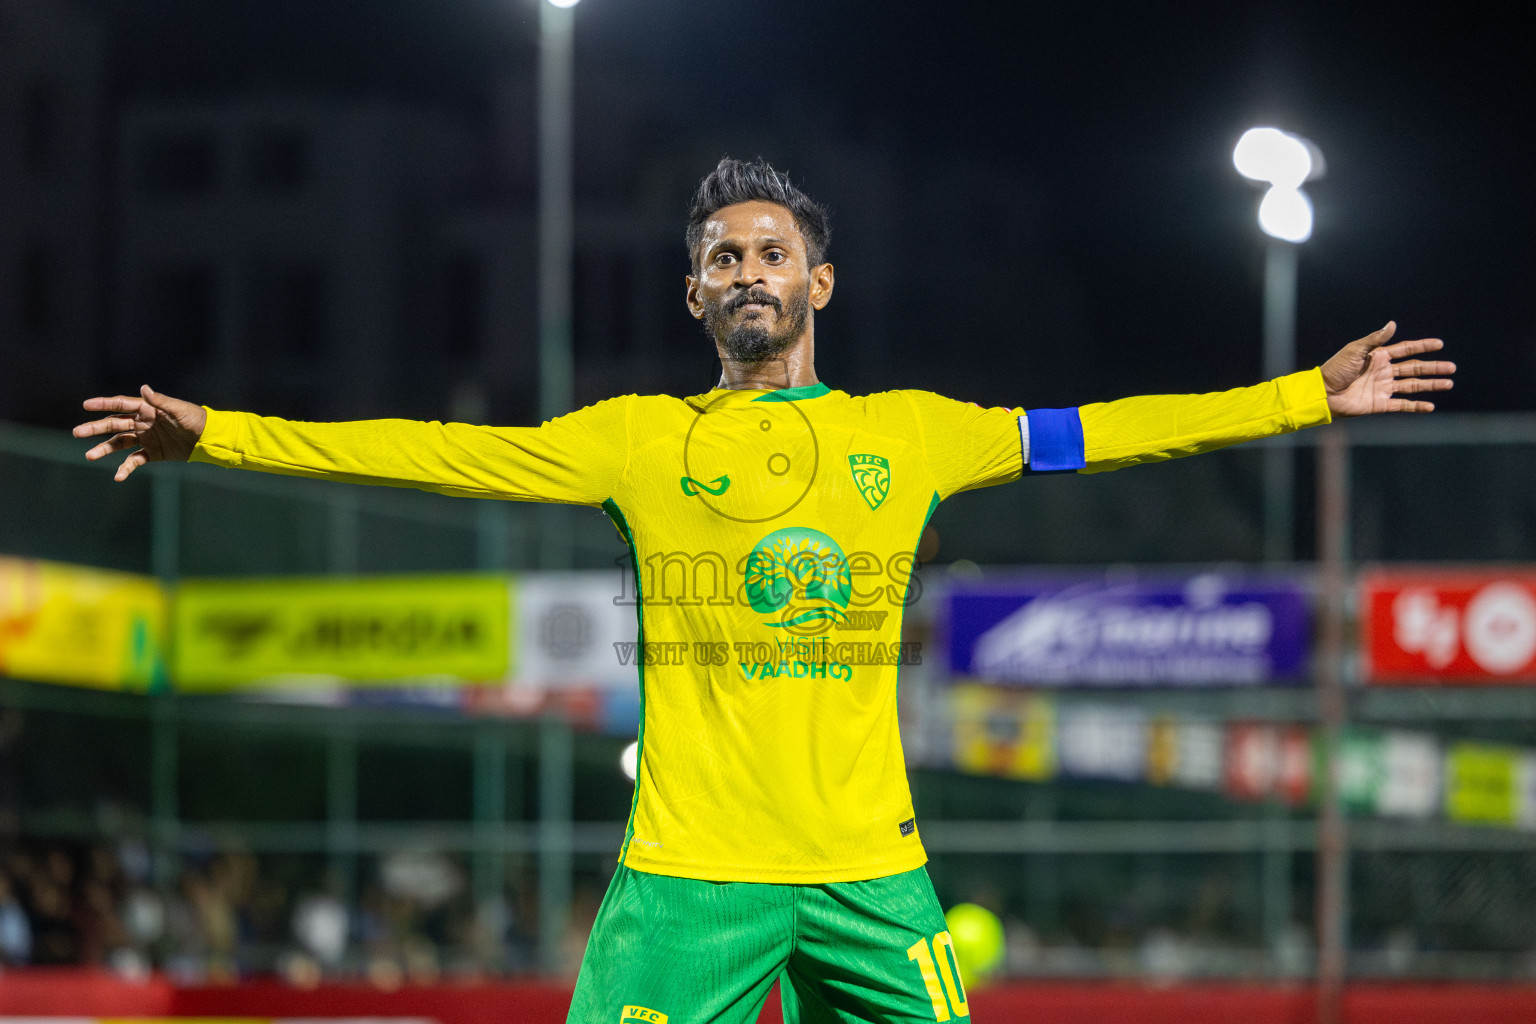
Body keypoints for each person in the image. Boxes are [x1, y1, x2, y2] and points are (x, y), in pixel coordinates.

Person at [75, 157, 1454, 1022]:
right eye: (723, 257)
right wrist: (222, 433)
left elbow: (1101, 426)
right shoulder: (639, 440)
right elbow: (442, 453)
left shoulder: (913, 433)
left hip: (871, 874)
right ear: (694, 297)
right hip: (690, 882)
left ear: (820, 282)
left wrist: (1300, 396)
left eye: (770, 252)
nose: (749, 270)